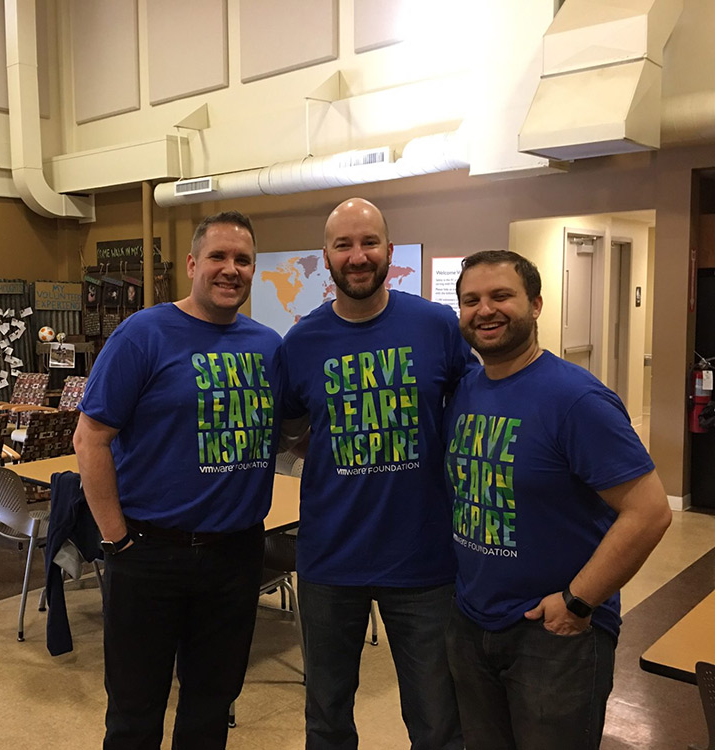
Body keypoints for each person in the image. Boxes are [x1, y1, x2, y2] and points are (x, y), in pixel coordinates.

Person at [445, 250, 672, 749]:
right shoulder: (466, 391)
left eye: (501, 296)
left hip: (553, 636)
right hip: (472, 621)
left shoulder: (576, 399)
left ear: (536, 304)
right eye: (471, 300)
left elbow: (650, 512)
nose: (485, 310)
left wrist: (576, 601)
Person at [73, 210, 281, 750]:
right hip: (148, 554)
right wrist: (117, 541)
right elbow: (89, 439)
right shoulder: (142, 334)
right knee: (134, 712)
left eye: (242, 260)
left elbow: (288, 431)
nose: (230, 268)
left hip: (235, 555)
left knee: (211, 707)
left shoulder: (268, 347)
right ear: (192, 264)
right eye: (218, 256)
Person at [280, 197, 472, 749]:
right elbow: (289, 430)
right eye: (343, 245)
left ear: (389, 250)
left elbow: (475, 411)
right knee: (327, 721)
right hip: (329, 560)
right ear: (326, 257)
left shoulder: (437, 326)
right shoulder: (302, 342)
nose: (357, 256)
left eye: (368, 243)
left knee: (438, 723)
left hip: (424, 559)